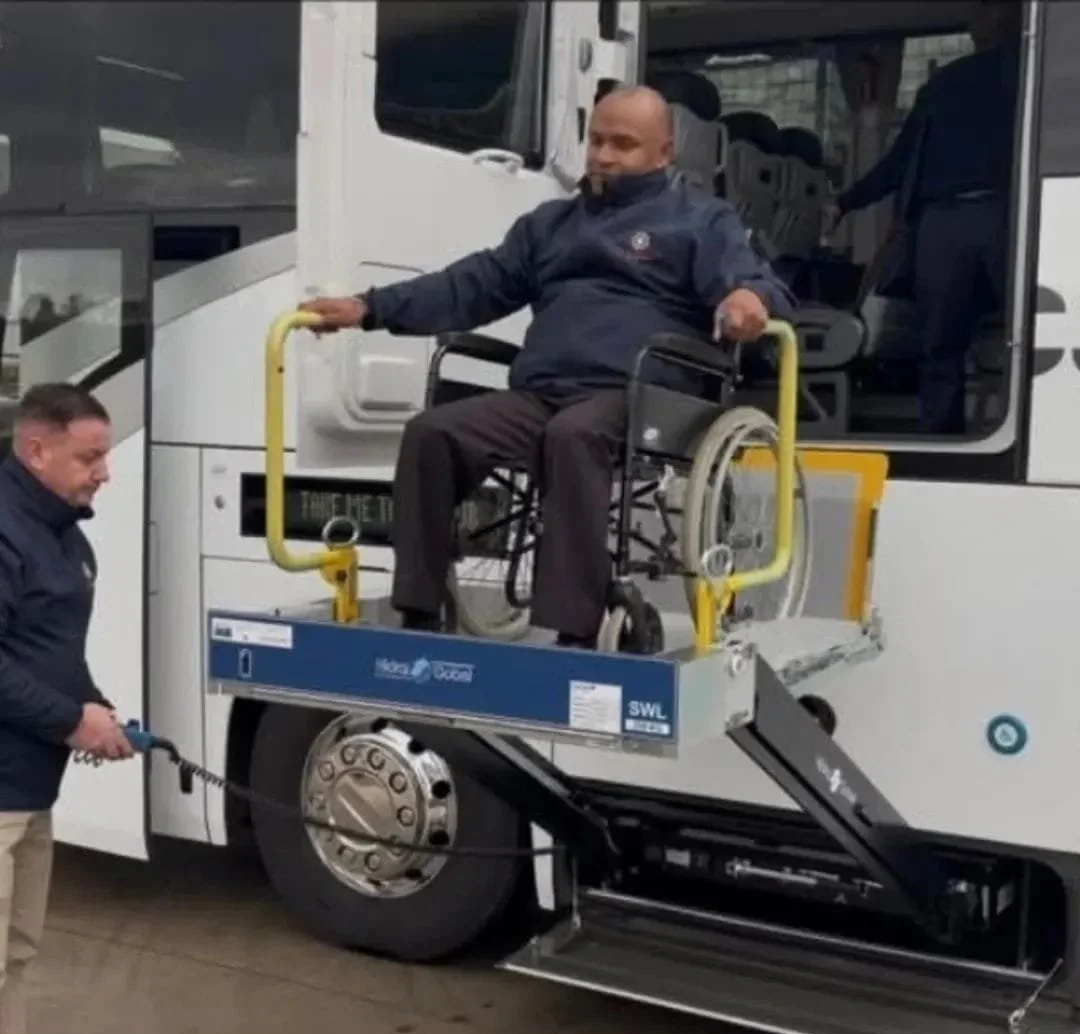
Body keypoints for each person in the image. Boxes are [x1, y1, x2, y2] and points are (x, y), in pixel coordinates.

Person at [301, 84, 794, 648]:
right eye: (597, 140)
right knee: (431, 433)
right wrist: (369, 308)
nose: (604, 155)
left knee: (573, 435)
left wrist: (748, 302)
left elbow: (753, 282)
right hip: (544, 391)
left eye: (624, 145)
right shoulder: (550, 225)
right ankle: (419, 610)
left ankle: (573, 628)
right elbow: (474, 285)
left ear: (664, 153)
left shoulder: (700, 222)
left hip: (644, 392)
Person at [0, 383, 133, 1034]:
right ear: (36, 450)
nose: (104, 472)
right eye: (91, 457)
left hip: (29, 790)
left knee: (15, 955)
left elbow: (48, 652)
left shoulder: (66, 538)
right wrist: (68, 719)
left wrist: (96, 710)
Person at [825, 0, 1022, 435]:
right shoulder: (1002, 78)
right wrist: (848, 200)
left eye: (984, 16)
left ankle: (947, 434)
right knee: (1012, 331)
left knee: (946, 342)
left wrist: (844, 202)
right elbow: (901, 161)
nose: (977, 26)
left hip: (963, 224)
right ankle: (986, 432)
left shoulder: (956, 82)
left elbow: (900, 162)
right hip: (998, 218)